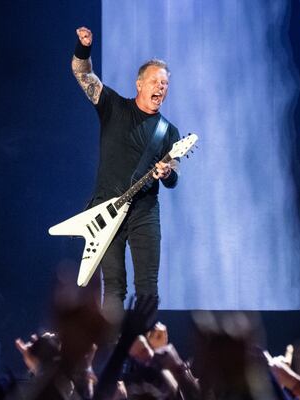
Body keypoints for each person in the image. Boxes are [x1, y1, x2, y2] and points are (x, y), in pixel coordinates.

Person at [71, 27, 181, 327]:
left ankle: (142, 358)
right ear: (139, 84)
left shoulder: (168, 132)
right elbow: (83, 76)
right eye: (156, 81)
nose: (162, 87)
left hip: (144, 212)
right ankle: (114, 359)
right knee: (114, 288)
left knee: (147, 289)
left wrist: (167, 172)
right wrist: (84, 49)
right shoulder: (114, 107)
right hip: (106, 211)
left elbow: (173, 178)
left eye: (166, 83)